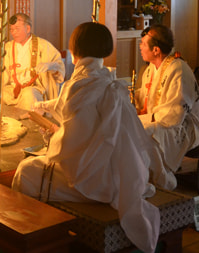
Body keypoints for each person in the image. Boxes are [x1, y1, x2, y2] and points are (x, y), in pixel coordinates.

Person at [12, 22, 159, 253]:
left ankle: (38, 241)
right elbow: (67, 107)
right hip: (121, 172)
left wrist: (55, 133)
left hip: (93, 179)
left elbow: (72, 142)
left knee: (26, 171)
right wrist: (41, 105)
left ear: (75, 50)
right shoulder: (108, 79)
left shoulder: (81, 83)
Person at [134, 24, 199, 190]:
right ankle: (141, 177)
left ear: (156, 50)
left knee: (146, 134)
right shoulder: (150, 69)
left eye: (143, 43)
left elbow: (174, 115)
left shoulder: (178, 69)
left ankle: (163, 181)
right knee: (132, 128)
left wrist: (143, 119)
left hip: (184, 126)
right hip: (157, 119)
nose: (140, 47)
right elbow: (144, 98)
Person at [0, 13, 65, 110]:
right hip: (11, 89)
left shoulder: (44, 46)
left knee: (29, 95)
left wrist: (50, 66)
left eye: (17, 29)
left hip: (34, 88)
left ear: (28, 29)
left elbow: (59, 66)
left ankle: (30, 122)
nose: (13, 32)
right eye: (11, 29)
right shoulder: (7, 47)